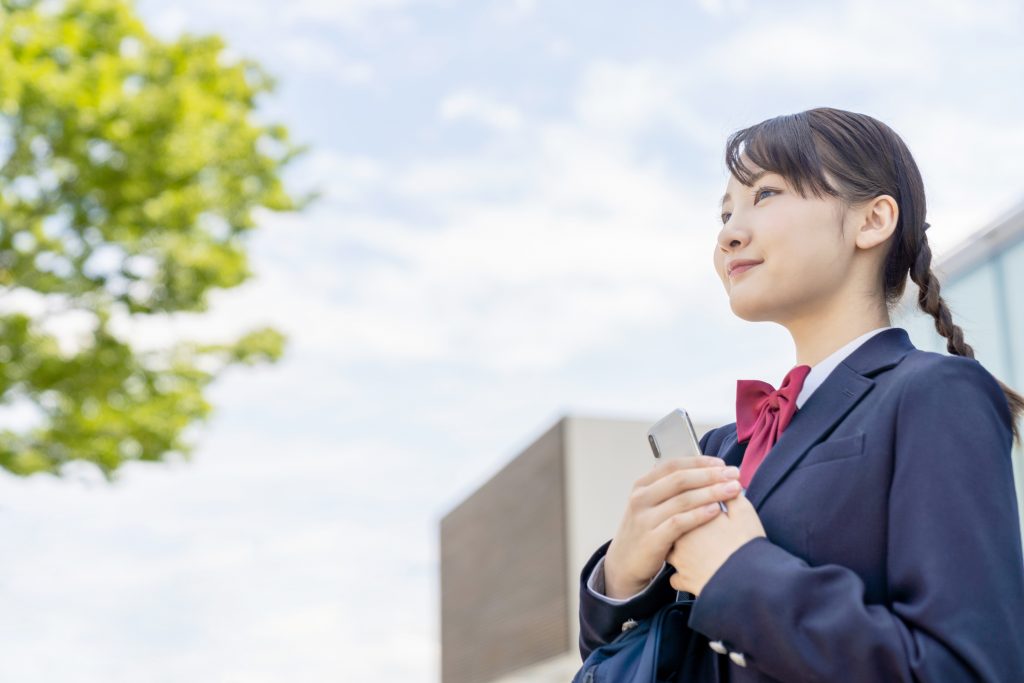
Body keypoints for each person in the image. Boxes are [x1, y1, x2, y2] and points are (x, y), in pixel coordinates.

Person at [577, 107, 1024, 682]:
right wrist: (624, 574)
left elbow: (967, 668)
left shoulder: (936, 395)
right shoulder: (725, 447)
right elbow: (620, 657)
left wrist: (738, 575)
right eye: (725, 212)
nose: (729, 232)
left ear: (872, 220)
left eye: (765, 194)